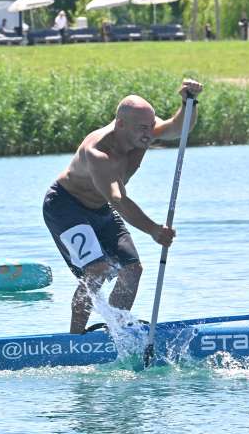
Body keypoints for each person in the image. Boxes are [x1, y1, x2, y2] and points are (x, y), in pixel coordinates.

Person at [43, 79, 204, 334]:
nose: (149, 133)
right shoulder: (98, 153)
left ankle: (115, 332)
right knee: (96, 269)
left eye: (151, 126)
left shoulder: (143, 131)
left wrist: (188, 103)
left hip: (101, 209)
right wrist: (153, 229)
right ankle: (74, 340)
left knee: (132, 269)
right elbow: (118, 199)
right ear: (120, 125)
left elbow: (177, 129)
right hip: (66, 207)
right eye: (142, 128)